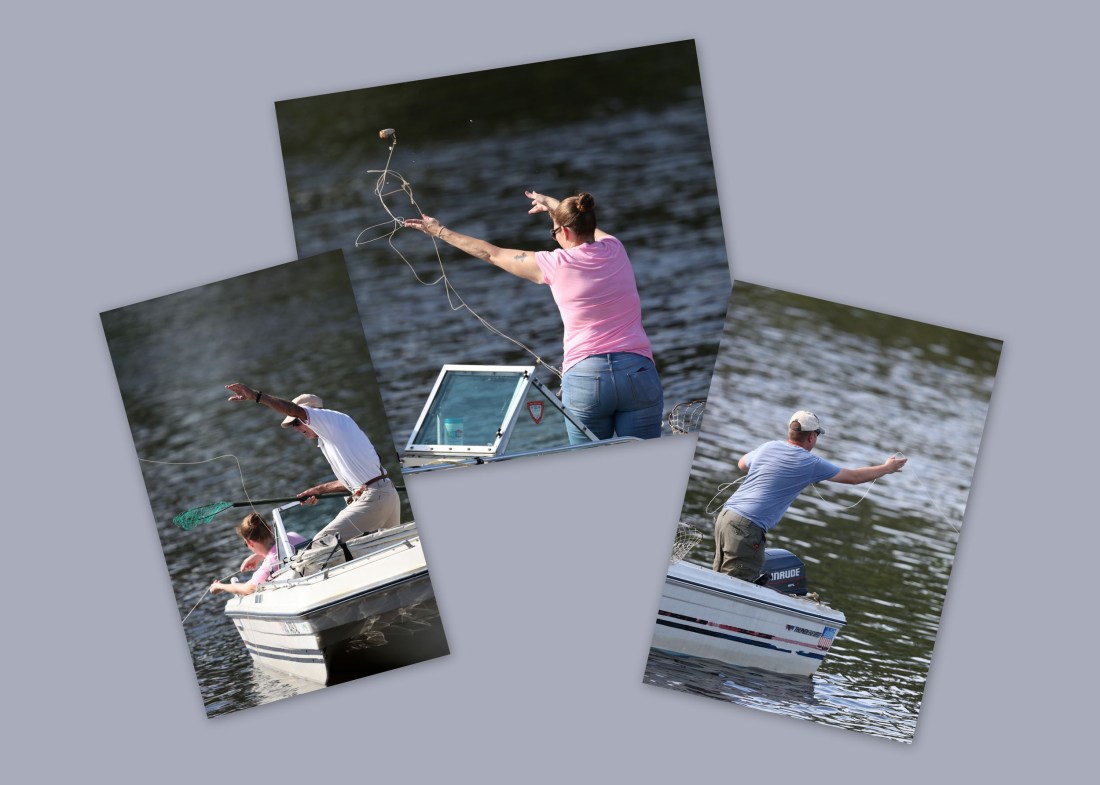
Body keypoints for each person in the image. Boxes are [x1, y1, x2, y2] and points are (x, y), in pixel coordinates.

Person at [403, 190, 663, 444]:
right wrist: (557, 208)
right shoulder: (615, 248)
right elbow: (588, 229)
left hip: (586, 381)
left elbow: (491, 253)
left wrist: (439, 231)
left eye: (555, 232)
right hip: (637, 374)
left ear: (566, 232)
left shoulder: (554, 263)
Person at [714, 411, 908, 581]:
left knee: (719, 579)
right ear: (810, 438)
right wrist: (886, 468)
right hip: (747, 527)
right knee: (737, 584)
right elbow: (854, 477)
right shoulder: (810, 463)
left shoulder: (769, 446)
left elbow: (742, 464)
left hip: (726, 516)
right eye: (817, 434)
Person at [224, 383, 400, 547]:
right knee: (391, 551)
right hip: (386, 494)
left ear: (312, 414)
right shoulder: (334, 434)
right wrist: (320, 489)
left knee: (318, 548)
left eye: (296, 421)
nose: (295, 427)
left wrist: (256, 396)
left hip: (375, 498)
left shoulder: (328, 419)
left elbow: (295, 410)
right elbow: (363, 478)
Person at [208, 512, 306, 596]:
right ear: (269, 528)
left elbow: (244, 589)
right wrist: (258, 556)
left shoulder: (267, 569)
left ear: (249, 543)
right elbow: (282, 551)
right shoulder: (293, 536)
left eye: (245, 544)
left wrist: (219, 586)